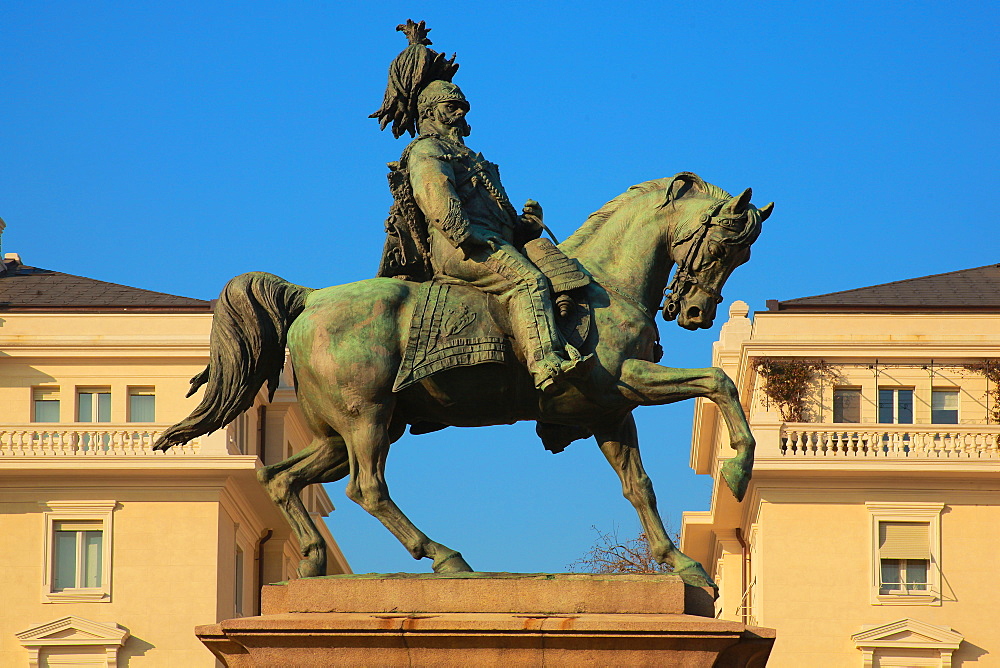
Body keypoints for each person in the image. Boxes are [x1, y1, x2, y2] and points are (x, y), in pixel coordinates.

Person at [400, 80, 585, 393]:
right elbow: (433, 192)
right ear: (430, 112)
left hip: (490, 240)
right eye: (451, 107)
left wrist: (526, 224)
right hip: (460, 247)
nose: (460, 112)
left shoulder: (471, 158)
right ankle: (545, 364)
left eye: (463, 107)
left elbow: (500, 218)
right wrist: (463, 232)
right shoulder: (428, 149)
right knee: (528, 281)